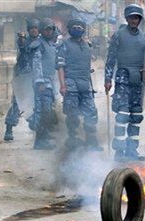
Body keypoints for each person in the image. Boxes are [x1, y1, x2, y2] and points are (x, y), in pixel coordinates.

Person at [105, 4, 145, 161]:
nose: (134, 20)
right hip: (123, 77)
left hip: (138, 80)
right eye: (131, 17)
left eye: (136, 17)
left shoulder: (144, 38)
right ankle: (119, 152)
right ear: (127, 18)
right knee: (122, 115)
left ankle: (132, 151)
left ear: (140, 19)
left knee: (136, 115)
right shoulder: (118, 35)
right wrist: (107, 79)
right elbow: (110, 59)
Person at [56, 19, 103, 151]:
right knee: (72, 113)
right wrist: (62, 85)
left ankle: (91, 140)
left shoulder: (87, 46)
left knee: (91, 112)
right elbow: (60, 67)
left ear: (84, 29)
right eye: (74, 26)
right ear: (69, 30)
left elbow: (89, 66)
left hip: (85, 84)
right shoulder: (64, 45)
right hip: (71, 83)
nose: (77, 28)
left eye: (80, 26)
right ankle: (73, 138)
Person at [3, 18, 40, 141]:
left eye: (36, 28)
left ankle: (36, 126)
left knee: (37, 103)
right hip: (22, 76)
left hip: (37, 78)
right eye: (32, 28)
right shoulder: (25, 42)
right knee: (17, 103)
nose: (34, 30)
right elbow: (23, 47)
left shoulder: (42, 43)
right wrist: (22, 40)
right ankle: (9, 128)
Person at [29, 18, 57, 150]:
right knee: (43, 111)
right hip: (42, 83)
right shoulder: (38, 44)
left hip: (50, 82)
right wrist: (39, 82)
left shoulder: (50, 44)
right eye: (46, 29)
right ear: (41, 30)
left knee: (48, 112)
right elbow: (36, 64)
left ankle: (44, 137)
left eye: (50, 29)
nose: (48, 31)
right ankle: (40, 141)